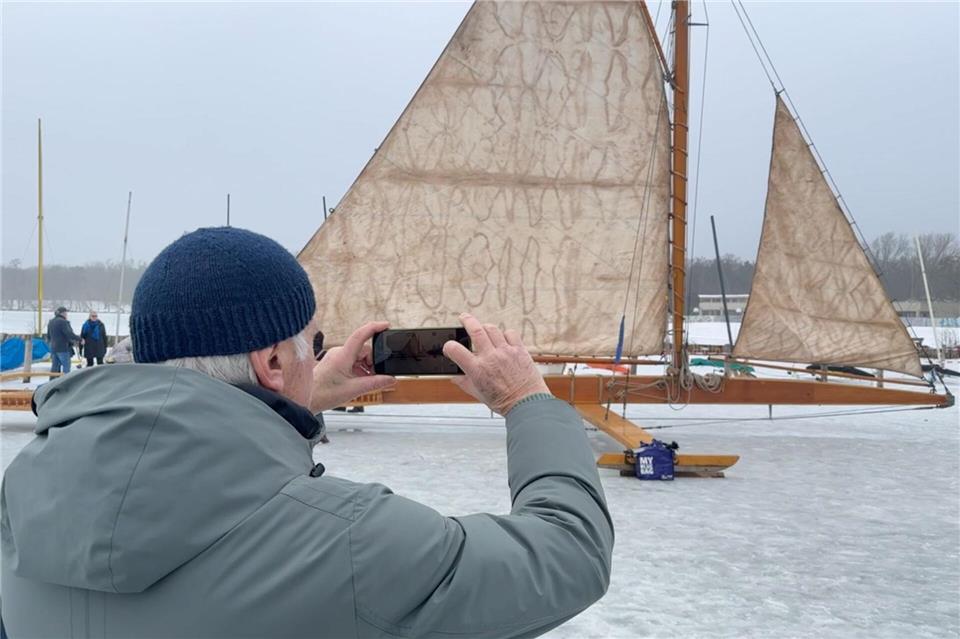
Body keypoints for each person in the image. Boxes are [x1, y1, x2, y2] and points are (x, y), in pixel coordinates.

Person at [1, 227, 613, 637]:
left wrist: (295, 399)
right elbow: (568, 555)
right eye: (311, 346)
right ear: (270, 362)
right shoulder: (353, 539)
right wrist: (527, 401)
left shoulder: (23, 499)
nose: (317, 358)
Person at [45, 306, 80, 374]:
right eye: (66, 313)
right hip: (63, 348)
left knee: (55, 367)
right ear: (63, 313)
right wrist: (79, 339)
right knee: (66, 367)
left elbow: (49, 336)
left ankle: (53, 382)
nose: (67, 314)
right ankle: (66, 382)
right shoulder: (63, 322)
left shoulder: (51, 322)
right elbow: (69, 333)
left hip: (54, 348)